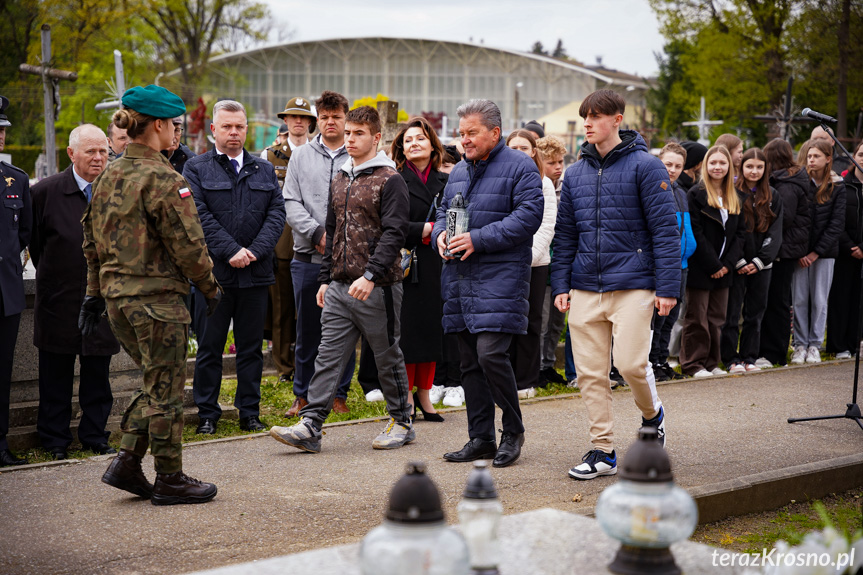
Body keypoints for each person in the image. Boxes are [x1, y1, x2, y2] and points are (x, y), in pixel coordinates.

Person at [83, 84, 222, 504]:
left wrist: (94, 292)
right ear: (158, 125)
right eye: (174, 126)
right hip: (157, 301)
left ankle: (127, 461)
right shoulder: (164, 176)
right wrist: (209, 286)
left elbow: (89, 239)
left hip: (116, 299)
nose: (176, 133)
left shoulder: (108, 174)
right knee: (165, 391)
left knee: (154, 381)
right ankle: (170, 478)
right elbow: (188, 243)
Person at [269, 106, 414, 452]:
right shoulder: (342, 177)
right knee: (327, 355)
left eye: (358, 133)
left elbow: (395, 234)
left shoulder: (390, 180)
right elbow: (333, 231)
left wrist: (370, 275)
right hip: (338, 285)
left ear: (377, 138)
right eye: (347, 133)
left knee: (387, 355)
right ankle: (311, 425)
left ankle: (402, 422)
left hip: (377, 287)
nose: (350, 139)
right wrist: (324, 278)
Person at [551, 89, 678, 481]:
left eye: (595, 117)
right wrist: (561, 284)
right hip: (586, 286)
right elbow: (565, 234)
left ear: (617, 120)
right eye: (584, 116)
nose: (587, 123)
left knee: (630, 365)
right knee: (590, 374)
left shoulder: (647, 167)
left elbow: (665, 231)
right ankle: (603, 451)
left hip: (635, 284)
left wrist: (668, 287)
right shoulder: (574, 174)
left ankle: (651, 415)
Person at [433, 99, 543, 469]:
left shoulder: (521, 167)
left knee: (490, 354)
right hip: (460, 278)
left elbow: (529, 217)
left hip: (501, 277)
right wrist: (441, 239)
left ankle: (513, 431)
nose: (463, 140)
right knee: (469, 363)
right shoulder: (460, 172)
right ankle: (480, 438)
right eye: (461, 133)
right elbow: (443, 213)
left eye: (471, 133)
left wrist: (477, 239)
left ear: (495, 133)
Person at [183, 100, 285, 435]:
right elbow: (199, 215)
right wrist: (231, 251)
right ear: (214, 129)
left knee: (251, 348)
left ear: (246, 129)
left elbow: (276, 215)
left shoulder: (264, 169)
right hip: (215, 276)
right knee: (210, 347)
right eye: (226, 126)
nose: (234, 132)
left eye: (239, 126)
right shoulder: (196, 169)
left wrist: (253, 251)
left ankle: (249, 412)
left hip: (255, 274)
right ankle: (208, 414)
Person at [30, 124, 120, 460]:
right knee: (56, 374)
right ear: (71, 154)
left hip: (102, 301)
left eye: (103, 152)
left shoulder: (116, 190)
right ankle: (54, 439)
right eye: (91, 152)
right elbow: (35, 244)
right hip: (60, 299)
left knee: (98, 374)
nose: (98, 158)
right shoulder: (45, 192)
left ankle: (95, 435)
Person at [282, 91, 355, 417]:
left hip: (346, 259)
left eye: (336, 116)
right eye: (324, 116)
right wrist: (315, 233)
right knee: (307, 329)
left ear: (345, 119)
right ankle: (303, 394)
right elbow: (290, 202)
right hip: (307, 257)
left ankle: (339, 394)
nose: (330, 122)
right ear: (318, 119)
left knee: (345, 328)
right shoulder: (301, 156)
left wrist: (339, 239)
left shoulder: (357, 156)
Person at [390, 117, 448, 421]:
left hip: (438, 262)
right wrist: (424, 229)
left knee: (431, 331)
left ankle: (425, 395)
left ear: (432, 144)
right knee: (408, 334)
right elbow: (387, 224)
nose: (414, 144)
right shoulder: (394, 179)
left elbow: (456, 218)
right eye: (408, 140)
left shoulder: (446, 181)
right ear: (401, 147)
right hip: (405, 265)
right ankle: (406, 398)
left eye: (420, 138)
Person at [264, 97, 316, 385]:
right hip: (283, 241)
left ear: (310, 122)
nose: (297, 122)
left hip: (313, 238)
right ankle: (285, 367)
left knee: (310, 307)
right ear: (285, 121)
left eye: (303, 117)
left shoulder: (320, 152)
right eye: (292, 117)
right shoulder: (269, 155)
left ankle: (310, 363)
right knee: (282, 308)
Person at [680, 145, 744, 378]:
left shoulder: (734, 196)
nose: (718, 167)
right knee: (697, 318)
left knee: (717, 318)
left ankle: (711, 362)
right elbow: (695, 232)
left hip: (725, 269)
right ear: (705, 166)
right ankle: (693, 364)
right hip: (701, 267)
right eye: (713, 162)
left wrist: (727, 264)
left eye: (722, 163)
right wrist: (714, 265)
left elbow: (740, 235)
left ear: (729, 167)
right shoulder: (695, 195)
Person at [719, 148, 783, 373]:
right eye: (749, 166)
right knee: (731, 313)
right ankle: (730, 358)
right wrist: (737, 260)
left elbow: (775, 233)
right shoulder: (731, 193)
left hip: (762, 265)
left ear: (765, 169)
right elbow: (729, 232)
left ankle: (749, 357)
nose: (754, 171)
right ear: (741, 167)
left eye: (759, 167)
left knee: (755, 313)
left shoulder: (773, 195)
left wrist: (759, 261)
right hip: (736, 265)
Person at [505, 129, 556, 398]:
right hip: (502, 263)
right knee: (504, 322)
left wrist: (524, 258)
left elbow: (546, 227)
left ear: (533, 151)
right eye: (512, 148)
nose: (518, 152)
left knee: (530, 322)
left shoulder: (544, 183)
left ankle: (525, 380)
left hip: (533, 264)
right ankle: (504, 378)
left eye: (523, 148)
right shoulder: (499, 179)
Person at [790, 139, 846, 364]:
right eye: (809, 156)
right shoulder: (800, 184)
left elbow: (836, 224)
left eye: (816, 156)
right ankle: (799, 344)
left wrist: (815, 253)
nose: (811, 160)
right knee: (800, 299)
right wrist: (801, 252)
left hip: (824, 254)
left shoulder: (837, 187)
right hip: (799, 253)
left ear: (828, 159)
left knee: (820, 300)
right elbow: (797, 221)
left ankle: (814, 344)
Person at [0, 96, 32, 467]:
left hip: (5, 295)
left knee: (3, 374)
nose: (2, 135)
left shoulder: (16, 180)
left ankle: (1, 444)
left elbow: (23, 234)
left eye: (3, 129)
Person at [650, 143, 696, 382]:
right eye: (668, 164)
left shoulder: (680, 192)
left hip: (682, 265)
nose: (673, 169)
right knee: (657, 318)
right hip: (663, 265)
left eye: (678, 166)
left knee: (671, 318)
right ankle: (652, 362)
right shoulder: (655, 188)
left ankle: (662, 359)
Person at [536, 135, 569, 387]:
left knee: (558, 321)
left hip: (563, 265)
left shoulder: (567, 188)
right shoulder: (538, 187)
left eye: (561, 161)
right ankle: (537, 367)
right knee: (543, 320)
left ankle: (548, 364)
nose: (558, 167)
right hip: (542, 264)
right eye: (551, 162)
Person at [826, 141, 863, 358]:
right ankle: (838, 346)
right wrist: (851, 246)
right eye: (860, 154)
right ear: (854, 157)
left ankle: (855, 342)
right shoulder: (842, 184)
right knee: (841, 298)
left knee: (859, 300)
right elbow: (836, 219)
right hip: (844, 251)